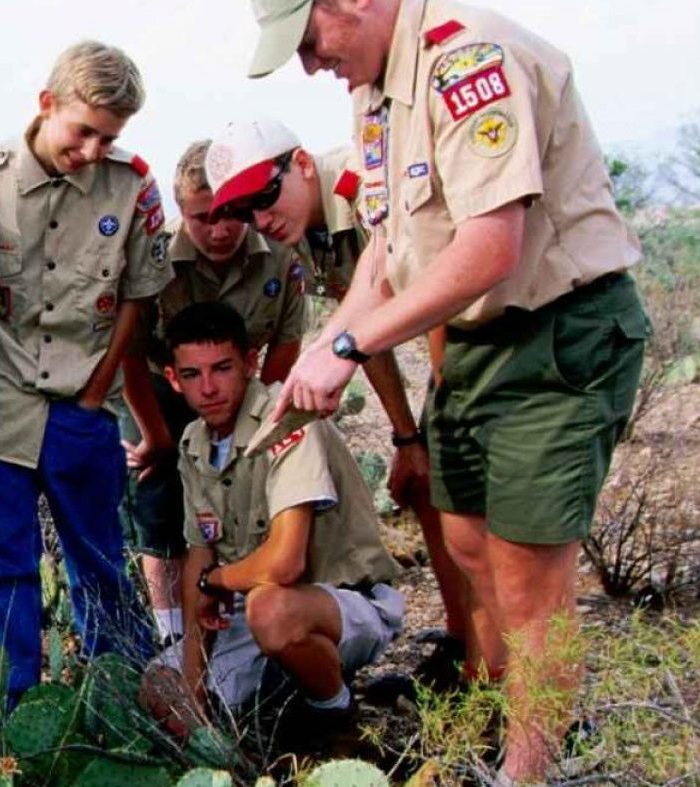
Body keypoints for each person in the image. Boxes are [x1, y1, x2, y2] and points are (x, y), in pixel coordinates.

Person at [249, 0, 651, 778]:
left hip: (555, 332)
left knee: (530, 578)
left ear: (350, 3)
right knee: (468, 544)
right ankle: (502, 718)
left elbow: (490, 249)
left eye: (308, 39)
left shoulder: (470, 59)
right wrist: (334, 344)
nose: (309, 64)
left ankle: (530, 766)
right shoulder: (373, 90)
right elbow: (388, 247)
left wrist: (353, 342)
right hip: (474, 342)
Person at [203, 117, 472, 687]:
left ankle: (495, 664)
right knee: (426, 486)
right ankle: (461, 639)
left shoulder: (364, 189)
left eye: (267, 196)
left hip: (485, 331)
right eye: (246, 210)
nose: (262, 219)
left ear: (301, 164)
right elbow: (366, 332)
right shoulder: (304, 232)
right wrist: (405, 437)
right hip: (450, 344)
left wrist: (444, 414)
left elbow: (442, 294)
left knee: (464, 495)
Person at [0, 39, 171, 696]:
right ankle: (9, 721)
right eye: (84, 132)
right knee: (1, 572)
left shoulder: (132, 186)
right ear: (47, 105)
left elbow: (137, 299)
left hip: (81, 408)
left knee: (102, 564)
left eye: (109, 138)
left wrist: (97, 393)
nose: (93, 152)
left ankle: (121, 707)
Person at [164, 302, 404, 729]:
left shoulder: (287, 420)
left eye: (221, 368)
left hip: (345, 601)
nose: (208, 387)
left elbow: (284, 562)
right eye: (191, 375)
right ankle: (266, 711)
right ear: (173, 379)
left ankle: (335, 715)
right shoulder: (194, 442)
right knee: (159, 688)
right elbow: (198, 555)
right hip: (254, 609)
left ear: (249, 363)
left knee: (272, 611)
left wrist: (215, 581)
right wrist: (192, 690)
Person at [119, 139, 307, 664]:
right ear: (181, 213)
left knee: (247, 498)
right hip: (159, 390)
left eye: (228, 215)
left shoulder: (280, 254)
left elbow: (287, 341)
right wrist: (155, 435)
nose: (219, 230)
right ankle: (173, 634)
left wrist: (258, 419)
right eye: (202, 218)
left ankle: (244, 618)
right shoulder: (154, 256)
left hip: (246, 390)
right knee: (158, 504)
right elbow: (130, 354)